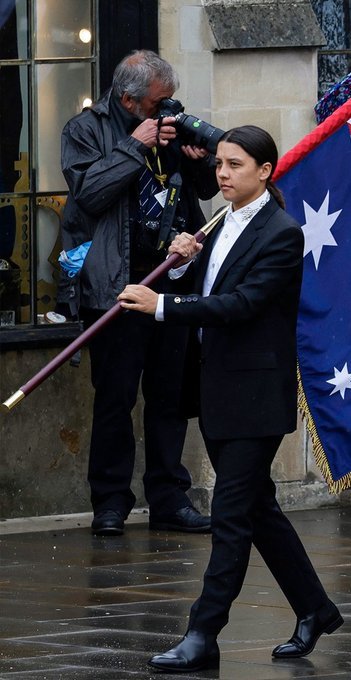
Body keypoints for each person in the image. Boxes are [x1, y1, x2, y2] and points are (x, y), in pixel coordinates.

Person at [118, 125, 344, 672]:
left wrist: (162, 304)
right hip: (217, 389)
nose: (222, 173)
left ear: (265, 171)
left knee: (230, 515)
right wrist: (186, 261)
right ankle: (315, 609)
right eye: (219, 164)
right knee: (257, 509)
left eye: (235, 165)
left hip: (254, 398)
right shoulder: (219, 222)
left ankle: (203, 632)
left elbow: (241, 305)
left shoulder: (282, 232)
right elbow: (215, 286)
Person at [59, 50, 219, 536]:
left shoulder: (167, 125)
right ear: (128, 100)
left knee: (169, 398)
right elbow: (88, 194)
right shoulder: (84, 130)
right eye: (157, 103)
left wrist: (196, 161)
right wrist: (135, 144)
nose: (166, 110)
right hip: (117, 288)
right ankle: (110, 503)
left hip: (172, 284)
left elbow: (205, 192)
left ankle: (169, 498)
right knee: (115, 398)